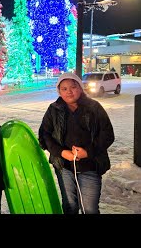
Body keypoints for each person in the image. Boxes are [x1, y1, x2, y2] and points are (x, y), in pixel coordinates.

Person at [38, 72, 115, 214]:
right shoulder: (53, 109)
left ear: (80, 87)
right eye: (64, 89)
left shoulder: (94, 107)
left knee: (89, 209)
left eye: (73, 87)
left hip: (90, 166)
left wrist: (88, 152)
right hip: (64, 167)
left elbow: (108, 134)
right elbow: (44, 135)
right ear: (59, 91)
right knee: (69, 206)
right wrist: (61, 152)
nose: (69, 92)